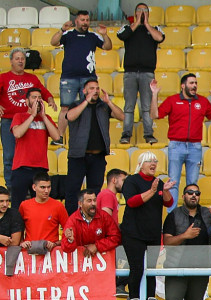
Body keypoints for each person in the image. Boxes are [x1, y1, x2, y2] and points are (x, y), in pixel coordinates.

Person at [160, 183, 211, 300]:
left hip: (200, 268)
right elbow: (168, 242)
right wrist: (185, 235)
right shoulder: (174, 215)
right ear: (183, 196)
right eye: (190, 192)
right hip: (176, 268)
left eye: (197, 193)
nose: (194, 195)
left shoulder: (207, 213)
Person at [120, 152, 174, 300]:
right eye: (150, 161)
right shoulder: (132, 180)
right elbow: (131, 201)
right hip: (133, 233)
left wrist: (163, 190)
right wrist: (151, 191)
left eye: (155, 161)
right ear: (141, 163)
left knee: (151, 269)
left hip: (152, 233)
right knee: (136, 268)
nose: (153, 164)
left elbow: (169, 202)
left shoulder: (159, 182)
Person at [62, 78, 122, 214]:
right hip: (78, 156)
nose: (95, 91)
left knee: (95, 192)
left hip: (98, 156)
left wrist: (109, 102)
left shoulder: (103, 106)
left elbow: (122, 117)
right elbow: (70, 117)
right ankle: (71, 221)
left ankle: (92, 221)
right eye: (91, 88)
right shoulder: (76, 104)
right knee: (73, 190)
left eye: (97, 88)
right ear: (84, 91)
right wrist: (86, 102)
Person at [152, 73, 211, 187]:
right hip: (176, 145)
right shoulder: (172, 100)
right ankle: (172, 206)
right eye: (191, 83)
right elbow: (155, 115)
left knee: (193, 185)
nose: (194, 86)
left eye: (196, 83)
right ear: (183, 86)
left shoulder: (202, 101)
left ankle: (191, 205)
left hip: (195, 146)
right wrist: (154, 94)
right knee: (172, 183)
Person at [1, 50, 55, 189]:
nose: (20, 61)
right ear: (11, 61)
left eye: (23, 59)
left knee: (27, 158)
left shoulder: (32, 78)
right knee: (9, 156)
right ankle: (11, 187)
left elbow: (43, 91)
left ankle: (31, 187)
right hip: (9, 120)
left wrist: (50, 100)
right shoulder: (3, 77)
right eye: (17, 59)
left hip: (29, 121)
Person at [116, 3, 163, 145]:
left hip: (147, 73)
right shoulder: (128, 28)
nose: (142, 13)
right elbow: (122, 35)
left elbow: (159, 38)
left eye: (145, 11)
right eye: (139, 10)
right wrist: (137, 22)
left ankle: (149, 134)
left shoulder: (154, 29)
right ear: (135, 12)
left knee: (147, 106)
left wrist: (146, 24)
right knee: (129, 105)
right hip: (130, 72)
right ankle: (126, 134)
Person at [9, 88, 61, 207]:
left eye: (39, 98)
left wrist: (43, 116)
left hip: (40, 168)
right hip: (21, 168)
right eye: (34, 97)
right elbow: (17, 133)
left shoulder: (46, 118)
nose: (37, 100)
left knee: (41, 204)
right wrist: (32, 115)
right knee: (18, 204)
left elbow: (57, 136)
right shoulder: (19, 116)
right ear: (27, 101)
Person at [50, 11, 111, 109]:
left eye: (87, 20)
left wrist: (104, 35)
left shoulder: (93, 36)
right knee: (66, 108)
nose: (85, 22)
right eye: (82, 20)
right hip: (69, 77)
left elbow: (107, 47)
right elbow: (53, 42)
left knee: (90, 108)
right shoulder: (68, 34)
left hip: (89, 78)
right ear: (76, 21)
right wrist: (62, 30)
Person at [61, 187, 121, 258]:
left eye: (94, 200)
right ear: (80, 203)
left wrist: (97, 246)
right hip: (80, 263)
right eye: (89, 201)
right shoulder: (73, 220)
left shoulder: (104, 216)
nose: (93, 203)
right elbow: (66, 248)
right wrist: (70, 241)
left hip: (104, 263)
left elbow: (116, 238)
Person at [17, 174, 67, 256]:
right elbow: (19, 228)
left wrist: (56, 244)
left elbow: (68, 230)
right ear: (34, 187)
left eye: (49, 187)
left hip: (51, 252)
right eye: (43, 187)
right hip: (29, 251)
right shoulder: (24, 205)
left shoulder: (58, 206)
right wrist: (22, 242)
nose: (46, 191)